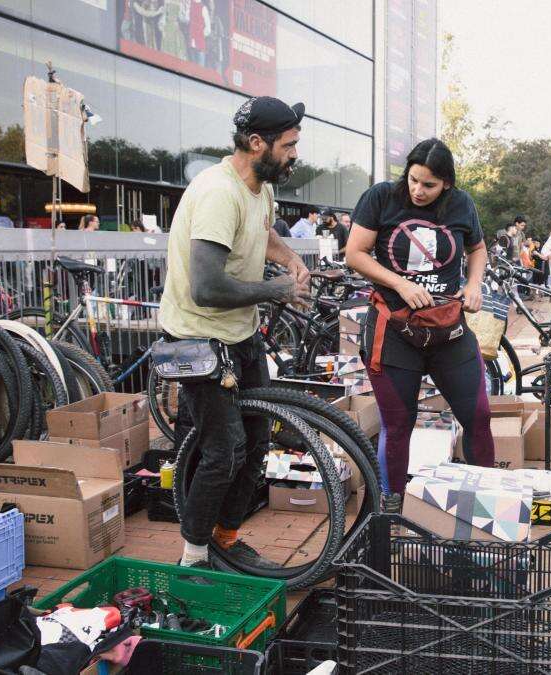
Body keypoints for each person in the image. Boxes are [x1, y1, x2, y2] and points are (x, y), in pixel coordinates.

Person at [159, 96, 313, 569]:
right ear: (256, 143)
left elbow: (261, 232)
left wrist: (287, 258)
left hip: (239, 334)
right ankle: (194, 555)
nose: (294, 154)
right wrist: (277, 291)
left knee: (257, 446)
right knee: (224, 453)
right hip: (200, 337)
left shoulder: (259, 187)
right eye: (288, 145)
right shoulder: (217, 193)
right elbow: (207, 288)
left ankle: (226, 539)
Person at [344, 138, 495, 513]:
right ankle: (390, 509)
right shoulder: (381, 197)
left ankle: (488, 504)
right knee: (398, 425)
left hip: (449, 331)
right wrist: (400, 283)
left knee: (477, 415)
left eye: (429, 184)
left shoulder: (461, 205)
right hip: (394, 331)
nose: (418, 191)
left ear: (446, 183)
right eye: (413, 180)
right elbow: (354, 253)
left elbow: (477, 249)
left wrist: (474, 284)